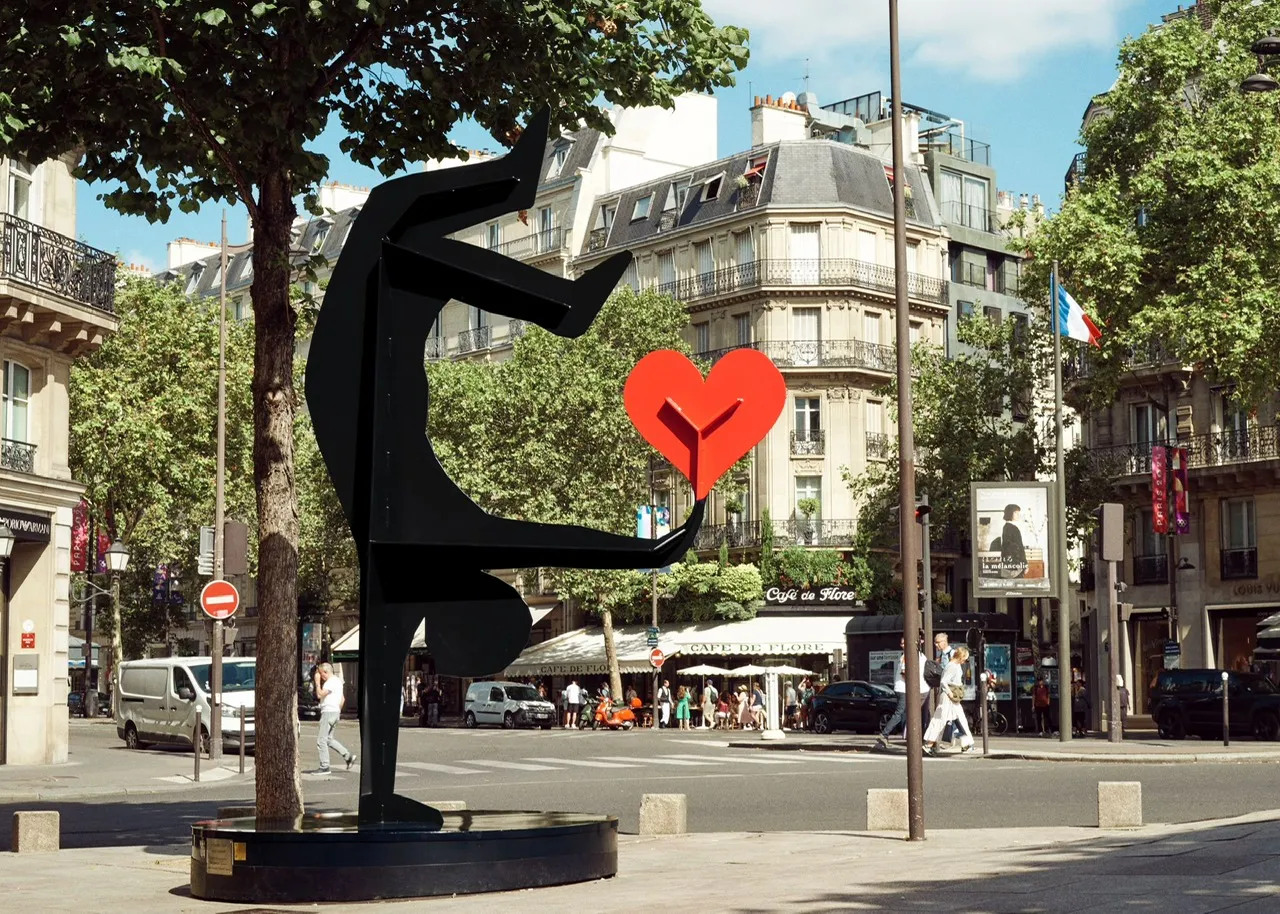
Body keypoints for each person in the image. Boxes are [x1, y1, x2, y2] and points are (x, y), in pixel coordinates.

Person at [878, 637, 929, 747]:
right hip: (903, 689)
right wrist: (914, 685)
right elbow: (905, 673)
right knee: (900, 712)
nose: (902, 645)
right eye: (901, 643)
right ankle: (885, 734)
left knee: (905, 713)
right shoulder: (906, 656)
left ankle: (906, 735)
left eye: (904, 643)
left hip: (904, 688)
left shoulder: (913, 655)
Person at [923, 645, 974, 755]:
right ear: (961, 656)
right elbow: (944, 682)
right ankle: (928, 744)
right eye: (965, 658)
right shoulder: (952, 666)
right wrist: (951, 694)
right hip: (949, 697)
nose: (965, 660)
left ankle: (967, 742)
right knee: (940, 720)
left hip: (952, 697)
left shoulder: (954, 665)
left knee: (960, 719)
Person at [313, 662, 355, 773]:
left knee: (321, 740)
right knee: (329, 739)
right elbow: (343, 699)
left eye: (322, 674)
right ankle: (348, 756)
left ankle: (324, 766)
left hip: (328, 711)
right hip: (335, 711)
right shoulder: (338, 682)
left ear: (326, 672)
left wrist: (317, 682)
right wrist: (338, 711)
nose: (321, 677)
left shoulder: (329, 682)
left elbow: (320, 694)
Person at [999, 504, 1027, 578]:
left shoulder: (1006, 527)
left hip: (1009, 564)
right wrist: (1024, 564)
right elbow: (1019, 548)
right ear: (1010, 513)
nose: (1018, 515)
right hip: (1015, 567)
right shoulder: (1013, 528)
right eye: (1016, 513)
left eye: (1018, 513)